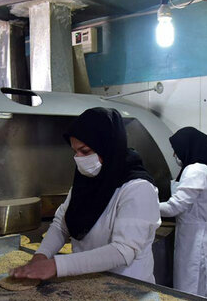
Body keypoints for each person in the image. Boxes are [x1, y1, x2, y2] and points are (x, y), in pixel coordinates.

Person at [10, 107, 161, 283]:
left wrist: (56, 266)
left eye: (85, 151)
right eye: (75, 152)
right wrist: (41, 256)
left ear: (108, 147)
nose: (79, 158)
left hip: (127, 288)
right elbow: (61, 225)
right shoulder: (86, 182)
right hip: (87, 284)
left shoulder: (138, 188)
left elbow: (122, 251)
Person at [159, 127, 207, 301]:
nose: (175, 154)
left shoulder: (196, 170)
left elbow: (174, 207)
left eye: (176, 149)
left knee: (199, 289)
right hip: (199, 234)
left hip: (200, 241)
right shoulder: (201, 168)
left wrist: (143, 204)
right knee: (203, 289)